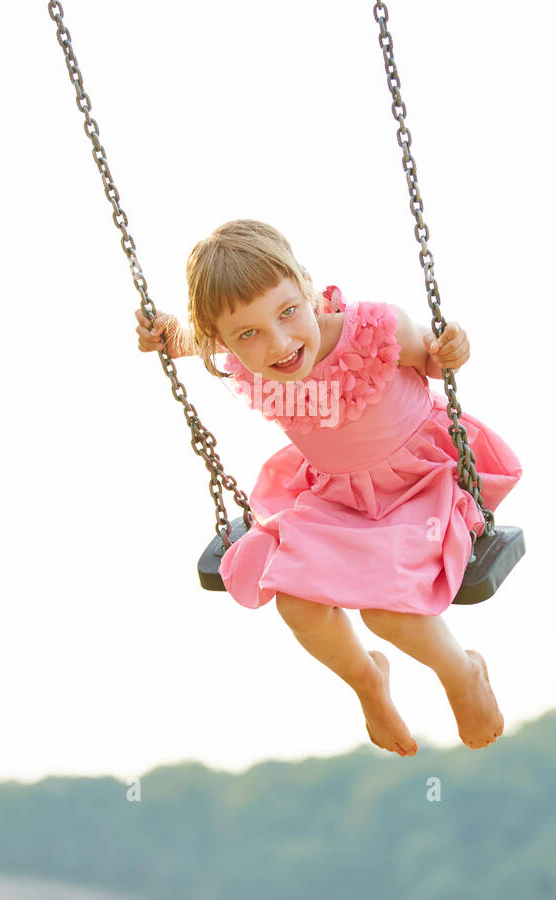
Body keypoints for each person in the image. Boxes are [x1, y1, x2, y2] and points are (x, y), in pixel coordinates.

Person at [136, 220, 523, 757]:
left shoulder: (376, 332)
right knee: (295, 601)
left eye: (287, 311)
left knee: (386, 608)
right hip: (338, 500)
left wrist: (451, 347)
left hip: (419, 487)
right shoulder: (239, 360)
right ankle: (368, 682)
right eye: (247, 334)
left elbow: (432, 358)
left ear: (308, 288)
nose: (278, 342)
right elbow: (187, 339)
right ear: (222, 340)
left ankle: (462, 673)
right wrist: (162, 333)